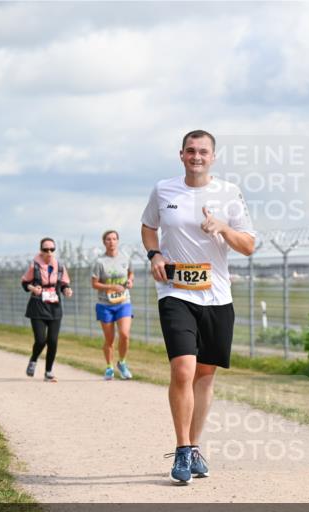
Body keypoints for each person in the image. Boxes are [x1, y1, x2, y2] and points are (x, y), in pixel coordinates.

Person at [141, 130, 256, 484]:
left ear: (213, 157)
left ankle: (194, 446)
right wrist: (154, 253)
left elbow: (248, 246)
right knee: (184, 371)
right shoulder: (164, 189)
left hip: (217, 296)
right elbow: (148, 227)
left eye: (203, 151)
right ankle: (181, 449)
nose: (196, 156)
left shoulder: (229, 193)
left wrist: (222, 227)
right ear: (181, 155)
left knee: (205, 375)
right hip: (175, 292)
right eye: (190, 151)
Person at [21, 238, 73, 382]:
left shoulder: (60, 266)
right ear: (41, 251)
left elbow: (63, 284)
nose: (49, 252)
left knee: (53, 341)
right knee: (40, 340)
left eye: (51, 249)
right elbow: (25, 283)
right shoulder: (35, 265)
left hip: (54, 307)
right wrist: (33, 288)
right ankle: (33, 360)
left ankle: (48, 372)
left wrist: (67, 290)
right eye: (45, 249)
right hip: (37, 306)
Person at [91, 230, 135, 380]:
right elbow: (94, 284)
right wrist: (109, 288)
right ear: (104, 242)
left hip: (123, 302)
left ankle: (122, 363)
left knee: (124, 334)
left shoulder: (125, 258)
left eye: (114, 239)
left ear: (118, 241)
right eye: (108, 239)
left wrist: (130, 281)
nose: (111, 242)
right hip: (105, 304)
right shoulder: (99, 262)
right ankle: (109, 367)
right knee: (110, 339)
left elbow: (131, 273)